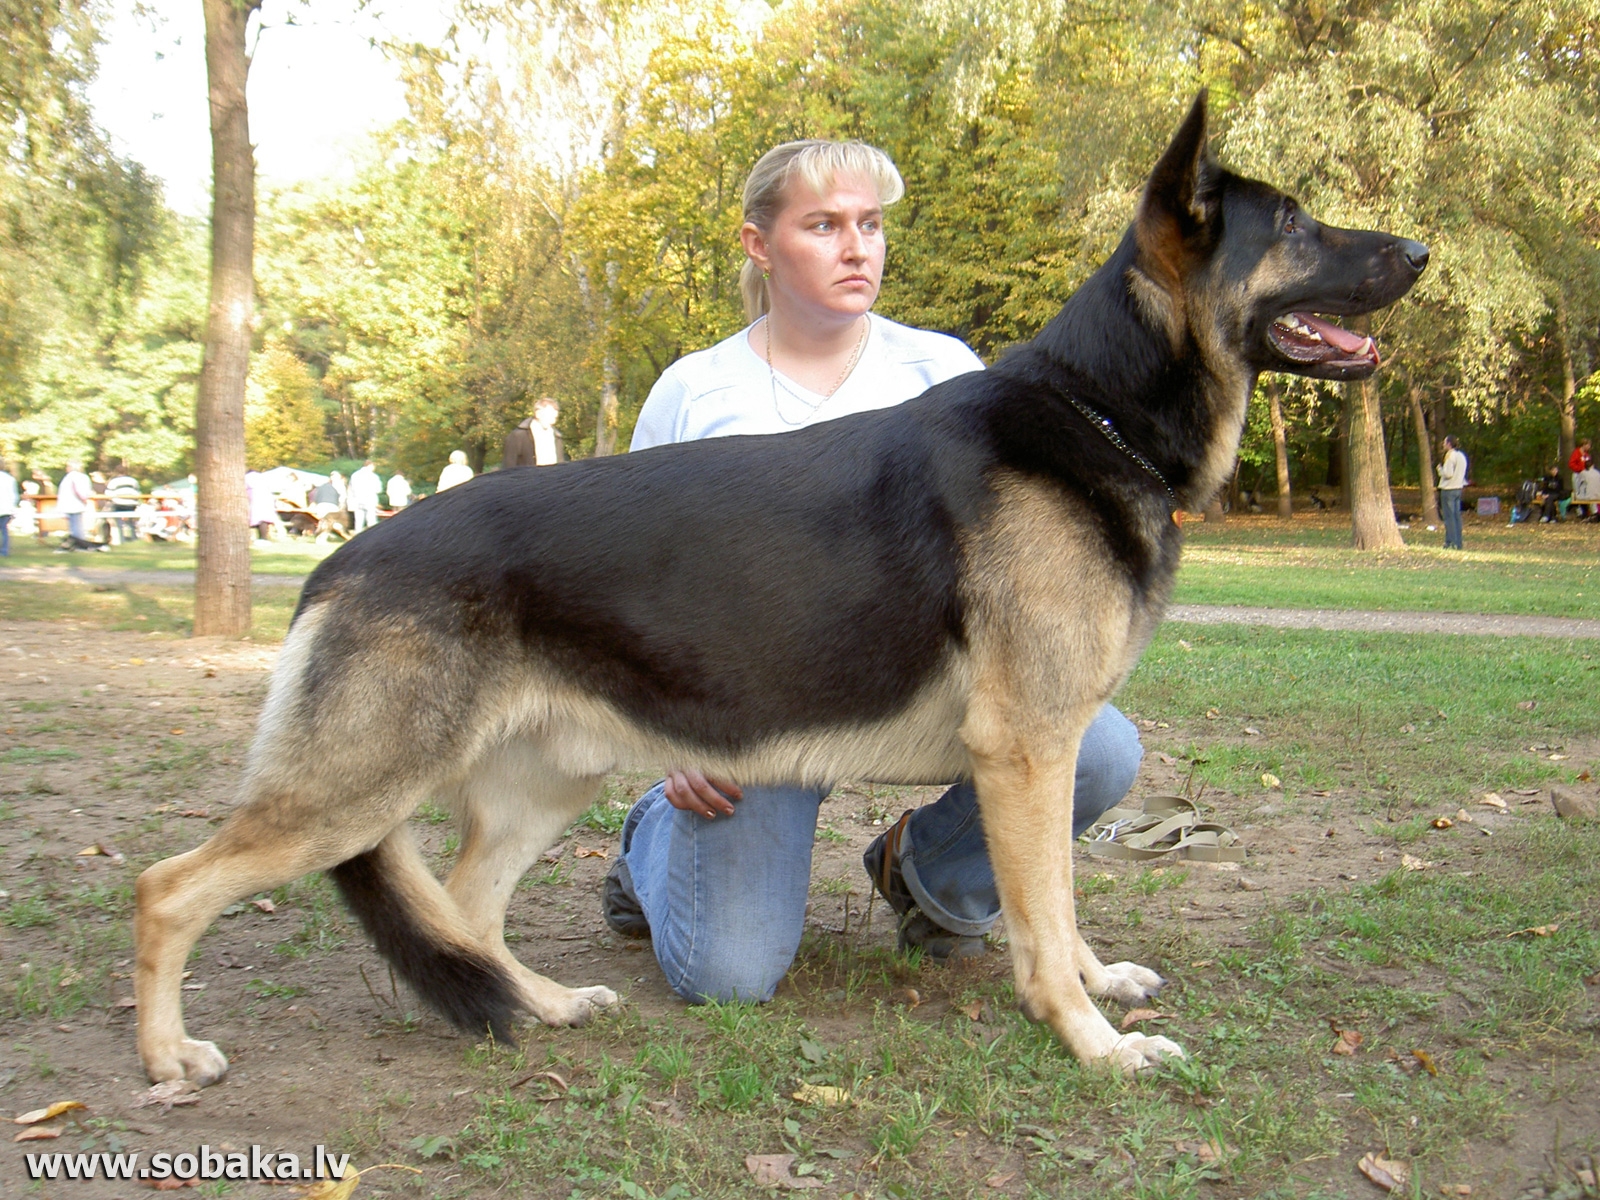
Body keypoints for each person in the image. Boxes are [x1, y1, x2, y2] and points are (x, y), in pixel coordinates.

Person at [602, 139, 1145, 1005]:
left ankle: (929, 878)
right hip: (757, 723)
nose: (858, 248)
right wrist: (672, 731)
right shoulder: (695, 391)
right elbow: (631, 580)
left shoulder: (944, 371)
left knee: (1102, 750)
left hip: (919, 695)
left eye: (871, 224)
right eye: (824, 226)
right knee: (728, 979)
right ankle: (650, 844)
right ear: (758, 244)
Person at [54, 460, 97, 550]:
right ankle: (78, 543)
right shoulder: (81, 477)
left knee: (75, 526)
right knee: (76, 525)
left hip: (72, 504)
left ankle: (78, 543)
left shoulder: (70, 477)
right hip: (76, 504)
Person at [1438, 435, 1466, 550]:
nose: (1443, 445)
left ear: (1449, 444)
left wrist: (1440, 469)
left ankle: (1450, 542)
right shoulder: (1461, 456)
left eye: (1445, 442)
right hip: (1458, 488)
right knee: (1456, 516)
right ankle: (1458, 542)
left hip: (1448, 489)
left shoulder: (1450, 456)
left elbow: (1448, 473)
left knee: (1449, 517)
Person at [347, 460, 383, 533]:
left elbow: (351, 489)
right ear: (370, 466)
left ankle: (357, 536)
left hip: (357, 500)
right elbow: (378, 489)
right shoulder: (373, 476)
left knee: (358, 520)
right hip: (370, 499)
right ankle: (372, 535)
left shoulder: (355, 475)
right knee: (371, 520)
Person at [106, 470, 141, 543]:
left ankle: (121, 539)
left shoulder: (114, 481)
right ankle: (134, 538)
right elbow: (138, 492)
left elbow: (108, 493)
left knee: (119, 523)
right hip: (131, 503)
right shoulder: (133, 480)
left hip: (118, 502)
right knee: (131, 522)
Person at [245, 470, 278, 539]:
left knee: (256, 518)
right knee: (264, 519)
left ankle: (256, 538)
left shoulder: (247, 477)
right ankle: (263, 538)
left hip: (256, 499)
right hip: (268, 499)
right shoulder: (263, 477)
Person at [0, 461, 16, 556]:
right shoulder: (9, 479)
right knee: (4, 530)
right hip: (6, 508)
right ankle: (4, 550)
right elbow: (14, 495)